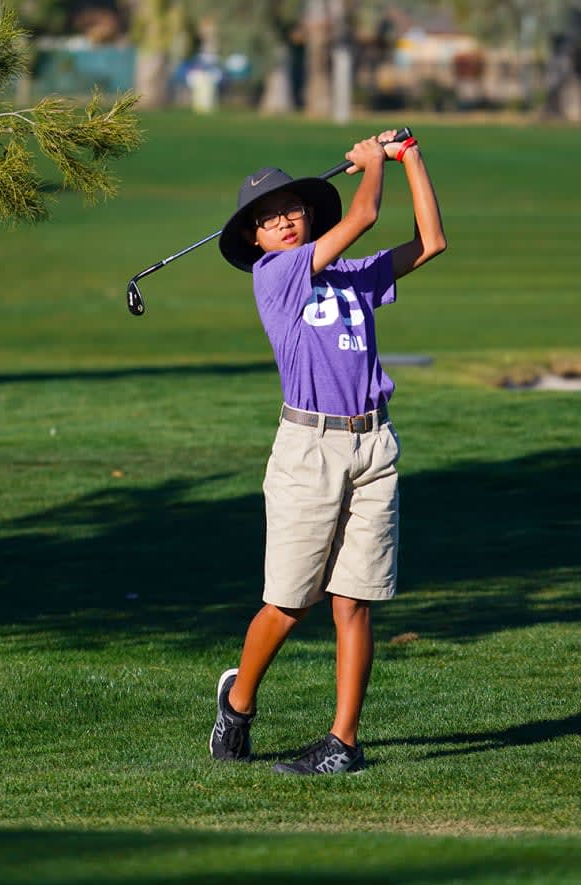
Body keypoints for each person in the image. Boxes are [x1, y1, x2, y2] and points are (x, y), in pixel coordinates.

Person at [210, 129, 446, 775]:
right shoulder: (276, 274)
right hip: (308, 449)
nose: (282, 221)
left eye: (290, 210)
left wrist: (410, 159)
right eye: (267, 218)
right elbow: (366, 213)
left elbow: (431, 243)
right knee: (291, 601)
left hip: (373, 443)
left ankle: (342, 743)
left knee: (355, 600)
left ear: (309, 213)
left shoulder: (349, 276)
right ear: (255, 239)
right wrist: (372, 167)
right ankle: (238, 701)